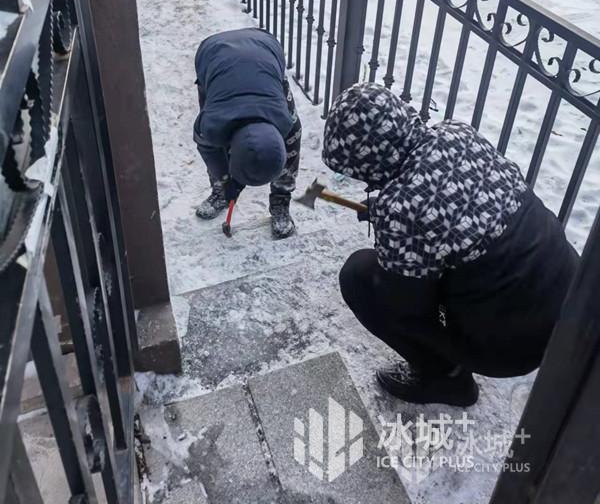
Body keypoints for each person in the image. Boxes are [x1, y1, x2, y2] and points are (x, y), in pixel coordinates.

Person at [322, 83, 579, 407]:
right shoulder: (457, 134)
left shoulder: (400, 206)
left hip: (514, 349)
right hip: (572, 305)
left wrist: (396, 239)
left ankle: (447, 380)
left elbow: (407, 307)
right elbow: (457, 199)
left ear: (365, 159)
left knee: (360, 277)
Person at [193, 28, 301, 239]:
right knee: (216, 137)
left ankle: (280, 202)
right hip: (214, 53)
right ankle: (220, 194)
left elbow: (289, 159)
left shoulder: (287, 123)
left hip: (264, 48)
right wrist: (226, 182)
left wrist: (283, 187)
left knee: (288, 150)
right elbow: (210, 152)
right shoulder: (211, 125)